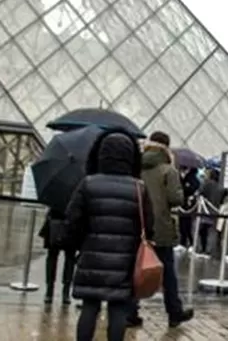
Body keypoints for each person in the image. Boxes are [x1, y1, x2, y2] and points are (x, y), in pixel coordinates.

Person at [66, 130, 155, 341]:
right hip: (125, 261)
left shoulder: (88, 183)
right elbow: (149, 227)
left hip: (91, 257)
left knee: (89, 308)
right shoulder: (139, 188)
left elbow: (73, 221)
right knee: (118, 310)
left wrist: (80, 245)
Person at [138, 131, 194, 327]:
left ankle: (130, 311)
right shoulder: (168, 170)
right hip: (160, 226)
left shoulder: (136, 166)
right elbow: (176, 199)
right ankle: (174, 312)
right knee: (168, 273)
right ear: (166, 148)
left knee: (135, 267)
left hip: (138, 224)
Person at [38, 206, 76, 305]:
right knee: (69, 259)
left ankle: (50, 292)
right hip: (72, 222)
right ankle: (65, 292)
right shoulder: (78, 190)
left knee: (54, 257)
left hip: (56, 221)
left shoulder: (56, 192)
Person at [198, 169, 224, 254]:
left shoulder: (207, 184)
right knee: (212, 231)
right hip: (216, 210)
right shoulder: (220, 186)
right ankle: (210, 250)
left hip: (206, 210)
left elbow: (200, 193)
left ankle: (204, 249)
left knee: (203, 230)